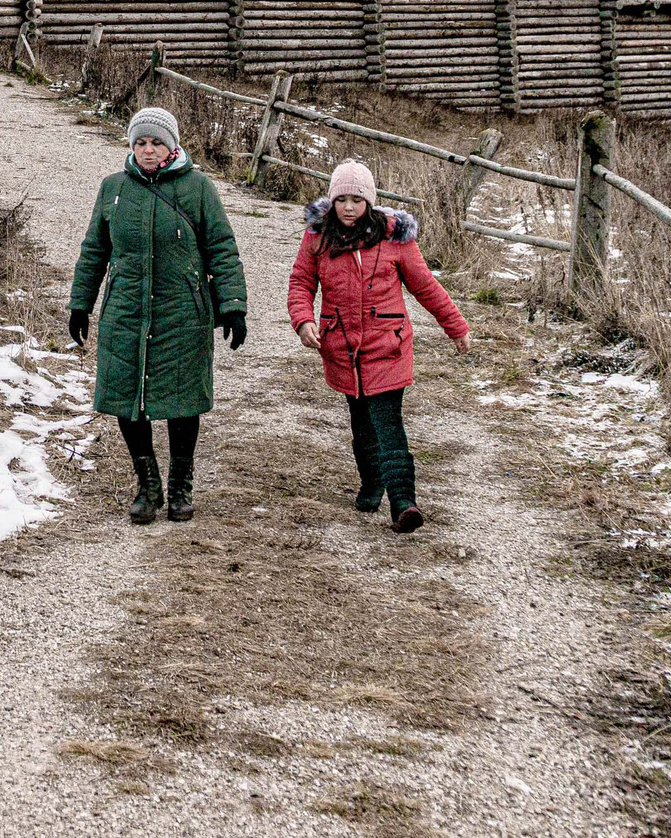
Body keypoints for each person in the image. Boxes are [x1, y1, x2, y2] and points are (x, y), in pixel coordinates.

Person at [68, 106, 249, 525]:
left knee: (183, 398)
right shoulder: (113, 188)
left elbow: (222, 249)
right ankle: (147, 482)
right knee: (125, 396)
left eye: (157, 143)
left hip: (183, 311)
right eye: (141, 142)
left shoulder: (199, 188)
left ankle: (180, 483)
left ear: (173, 146)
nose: (148, 151)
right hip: (126, 309)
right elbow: (94, 250)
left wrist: (232, 307)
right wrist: (82, 302)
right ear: (132, 145)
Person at [286, 159, 470, 533]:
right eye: (342, 200)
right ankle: (372, 483)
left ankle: (404, 503)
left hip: (388, 344)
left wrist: (456, 326)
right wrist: (303, 320)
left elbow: (425, 286)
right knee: (361, 423)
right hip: (342, 347)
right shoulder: (317, 238)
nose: (349, 207)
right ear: (332, 201)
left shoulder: (395, 238)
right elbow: (301, 283)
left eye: (357, 199)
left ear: (369, 201)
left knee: (387, 423)